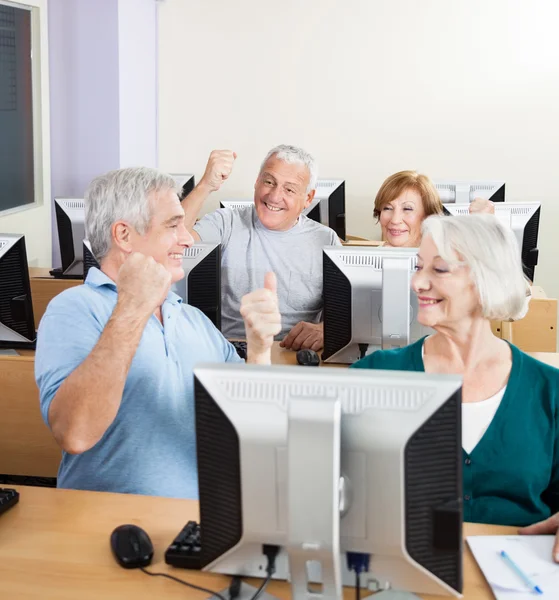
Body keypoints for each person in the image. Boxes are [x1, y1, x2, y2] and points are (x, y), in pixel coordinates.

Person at [35, 167, 281, 499]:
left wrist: (259, 350)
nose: (186, 237)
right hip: (110, 531)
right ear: (123, 236)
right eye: (172, 225)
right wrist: (133, 307)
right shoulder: (74, 308)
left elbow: (253, 429)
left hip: (196, 525)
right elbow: (75, 434)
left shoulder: (192, 318)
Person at [351, 214, 559, 559]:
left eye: (439, 269)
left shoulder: (548, 389)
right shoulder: (376, 375)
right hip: (405, 573)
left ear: (485, 280)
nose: (417, 282)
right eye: (418, 267)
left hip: (525, 574)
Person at [182, 144, 341, 352]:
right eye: (269, 182)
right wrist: (205, 185)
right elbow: (171, 241)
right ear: (256, 183)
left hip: (291, 354)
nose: (274, 196)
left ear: (308, 199)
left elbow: (346, 315)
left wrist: (325, 329)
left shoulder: (325, 240)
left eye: (289, 189)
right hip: (229, 349)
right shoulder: (226, 223)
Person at [373, 170, 495, 247]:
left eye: (408, 209)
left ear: (428, 216)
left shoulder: (448, 264)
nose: (395, 220)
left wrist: (486, 224)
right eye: (387, 208)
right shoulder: (364, 265)